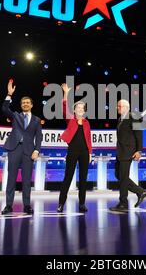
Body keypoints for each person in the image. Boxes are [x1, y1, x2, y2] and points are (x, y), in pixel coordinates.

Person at [1, 80, 42, 215]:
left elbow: (39, 136)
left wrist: (36, 150)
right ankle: (8, 205)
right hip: (14, 149)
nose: (25, 104)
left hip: (28, 152)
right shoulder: (16, 116)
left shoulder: (36, 120)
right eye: (23, 103)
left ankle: (26, 205)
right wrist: (9, 94)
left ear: (31, 105)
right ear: (21, 105)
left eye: (27, 103)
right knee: (11, 178)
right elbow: (5, 109)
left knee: (26, 180)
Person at [57, 83, 92, 213]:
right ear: (75, 109)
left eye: (82, 108)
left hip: (84, 152)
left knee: (83, 179)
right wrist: (66, 92)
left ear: (84, 110)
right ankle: (61, 203)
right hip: (72, 151)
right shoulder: (70, 119)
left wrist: (90, 153)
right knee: (68, 177)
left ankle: (82, 204)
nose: (80, 109)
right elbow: (64, 106)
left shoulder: (87, 123)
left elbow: (88, 139)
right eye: (78, 107)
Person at [109, 99, 146, 211]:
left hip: (128, 151)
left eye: (119, 106)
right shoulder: (120, 119)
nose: (117, 108)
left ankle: (123, 203)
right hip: (121, 152)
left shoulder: (133, 116)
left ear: (126, 107)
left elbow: (138, 134)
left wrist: (139, 151)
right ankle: (140, 191)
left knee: (123, 177)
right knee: (119, 175)